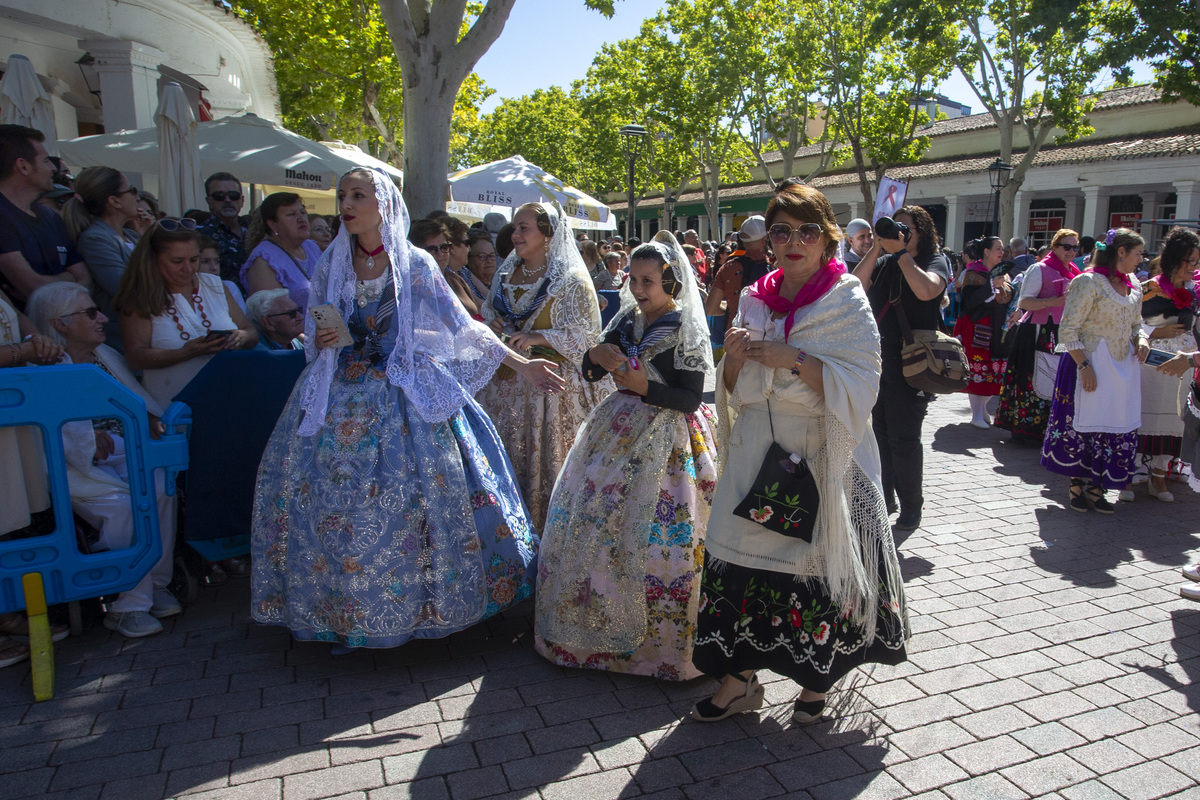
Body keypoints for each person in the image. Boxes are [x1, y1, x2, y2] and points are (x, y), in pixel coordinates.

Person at [250, 167, 566, 651]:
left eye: (359, 195)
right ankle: (341, 606)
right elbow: (313, 335)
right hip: (339, 397)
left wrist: (522, 364)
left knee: (427, 495)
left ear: (384, 204)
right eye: (342, 196)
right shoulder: (330, 263)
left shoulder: (413, 263)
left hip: (406, 393)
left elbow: (463, 327)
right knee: (331, 499)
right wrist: (324, 338)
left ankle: (425, 603)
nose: (347, 204)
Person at [690, 182, 907, 723]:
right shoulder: (755, 297)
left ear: (827, 238)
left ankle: (814, 687)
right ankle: (738, 683)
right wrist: (735, 360)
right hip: (755, 451)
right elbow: (734, 389)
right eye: (781, 230)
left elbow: (863, 385)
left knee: (811, 570)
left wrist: (795, 359)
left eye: (806, 230)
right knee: (738, 563)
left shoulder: (845, 299)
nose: (792, 241)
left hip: (819, 454)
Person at [535, 232, 718, 679]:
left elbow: (690, 399)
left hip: (670, 439)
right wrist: (595, 355)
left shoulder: (686, 329)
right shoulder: (626, 319)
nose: (637, 289)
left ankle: (661, 649)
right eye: (633, 279)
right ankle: (586, 629)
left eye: (648, 281)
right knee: (595, 515)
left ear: (670, 282)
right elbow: (592, 365)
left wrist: (645, 388)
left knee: (660, 530)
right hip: (614, 429)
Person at [26, 282, 180, 638]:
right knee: (125, 507)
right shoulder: (44, 364)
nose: (101, 318)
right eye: (90, 312)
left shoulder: (104, 355)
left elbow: (136, 400)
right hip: (72, 465)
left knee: (161, 489)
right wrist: (86, 438)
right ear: (60, 323)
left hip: (125, 451)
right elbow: (48, 428)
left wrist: (150, 419)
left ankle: (154, 583)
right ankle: (127, 604)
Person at [478, 202, 610, 530]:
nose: (516, 234)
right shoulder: (506, 273)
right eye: (515, 227)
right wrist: (494, 324)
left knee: (550, 467)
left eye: (525, 228)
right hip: (507, 385)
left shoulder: (571, 279)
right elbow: (491, 311)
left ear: (548, 235)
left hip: (552, 391)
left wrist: (539, 337)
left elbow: (586, 336)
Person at [854, 205, 951, 532]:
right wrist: (879, 248)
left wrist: (902, 255)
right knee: (879, 434)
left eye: (905, 228)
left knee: (905, 438)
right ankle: (886, 498)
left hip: (915, 364)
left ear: (920, 232)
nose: (899, 232)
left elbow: (927, 290)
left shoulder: (933, 261)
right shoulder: (883, 261)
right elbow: (854, 288)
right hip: (879, 361)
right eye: (894, 228)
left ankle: (912, 507)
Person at [1041, 228, 1149, 513]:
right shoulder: (1088, 282)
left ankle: (1098, 486)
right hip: (1086, 362)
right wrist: (1085, 365)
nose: (1142, 259)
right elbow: (1068, 329)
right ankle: (1077, 483)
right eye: (1138, 253)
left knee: (1111, 423)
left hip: (1120, 365)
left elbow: (1137, 324)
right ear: (1121, 252)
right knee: (1084, 425)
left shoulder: (1134, 285)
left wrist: (1142, 339)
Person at [115, 219, 259, 409]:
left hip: (227, 400)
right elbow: (135, 357)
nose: (188, 268)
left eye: (194, 259)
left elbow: (251, 332)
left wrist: (242, 337)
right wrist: (185, 353)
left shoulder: (214, 285)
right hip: (171, 408)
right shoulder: (139, 297)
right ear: (153, 259)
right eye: (177, 261)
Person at [1124, 226, 1200, 502]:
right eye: (1190, 260)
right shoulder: (1148, 288)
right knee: (1143, 415)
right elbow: (1130, 323)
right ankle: (1129, 475)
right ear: (1175, 259)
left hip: (1184, 364)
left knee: (1175, 420)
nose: (1194, 267)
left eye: (1197, 261)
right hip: (1151, 363)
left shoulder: (1195, 292)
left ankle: (1159, 474)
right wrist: (1156, 332)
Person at [995, 229, 1081, 442]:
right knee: (1035, 378)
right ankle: (1028, 431)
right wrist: (1051, 302)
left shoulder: (1076, 272)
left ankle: (1051, 430)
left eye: (1075, 247)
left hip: (1062, 332)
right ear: (1054, 247)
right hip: (1037, 331)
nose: (1071, 251)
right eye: (1066, 247)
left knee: (1056, 379)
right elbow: (1024, 302)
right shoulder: (1039, 269)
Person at [0, 125, 92, 310]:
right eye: (45, 161)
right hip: (29, 335)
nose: (53, 168)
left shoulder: (50, 216)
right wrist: (68, 277)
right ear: (23, 166)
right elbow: (32, 287)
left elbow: (87, 280)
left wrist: (49, 286)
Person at [65, 166, 141, 344]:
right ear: (115, 201)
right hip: (126, 337)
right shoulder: (95, 239)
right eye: (131, 189)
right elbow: (127, 290)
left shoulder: (131, 235)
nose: (137, 196)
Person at [954, 236, 1013, 428]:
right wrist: (991, 286)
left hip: (997, 328)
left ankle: (984, 409)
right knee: (978, 370)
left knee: (993, 371)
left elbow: (1008, 296)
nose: (1001, 252)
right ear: (986, 251)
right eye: (997, 248)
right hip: (976, 327)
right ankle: (976, 414)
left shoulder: (1003, 272)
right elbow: (969, 301)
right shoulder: (974, 272)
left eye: (1002, 249)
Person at [239, 192, 321, 314]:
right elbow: (274, 318)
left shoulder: (311, 246)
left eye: (303, 212)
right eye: (291, 214)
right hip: (297, 332)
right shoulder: (263, 260)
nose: (301, 218)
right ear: (273, 224)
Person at [705, 215, 771, 335]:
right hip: (768, 340)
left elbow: (711, 309)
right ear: (765, 239)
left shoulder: (728, 267)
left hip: (735, 339)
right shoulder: (776, 267)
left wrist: (733, 309)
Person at [410, 218, 479, 316]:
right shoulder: (415, 287)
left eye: (444, 247)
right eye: (432, 249)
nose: (440, 253)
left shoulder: (455, 279)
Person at [196, 172, 249, 282]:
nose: (227, 200)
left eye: (233, 195)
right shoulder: (199, 235)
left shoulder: (254, 229)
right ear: (209, 201)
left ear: (242, 200)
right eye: (219, 196)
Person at [459, 229, 497, 305]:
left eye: (492, 255)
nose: (489, 260)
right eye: (482, 256)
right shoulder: (467, 288)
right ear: (468, 258)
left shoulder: (501, 284)